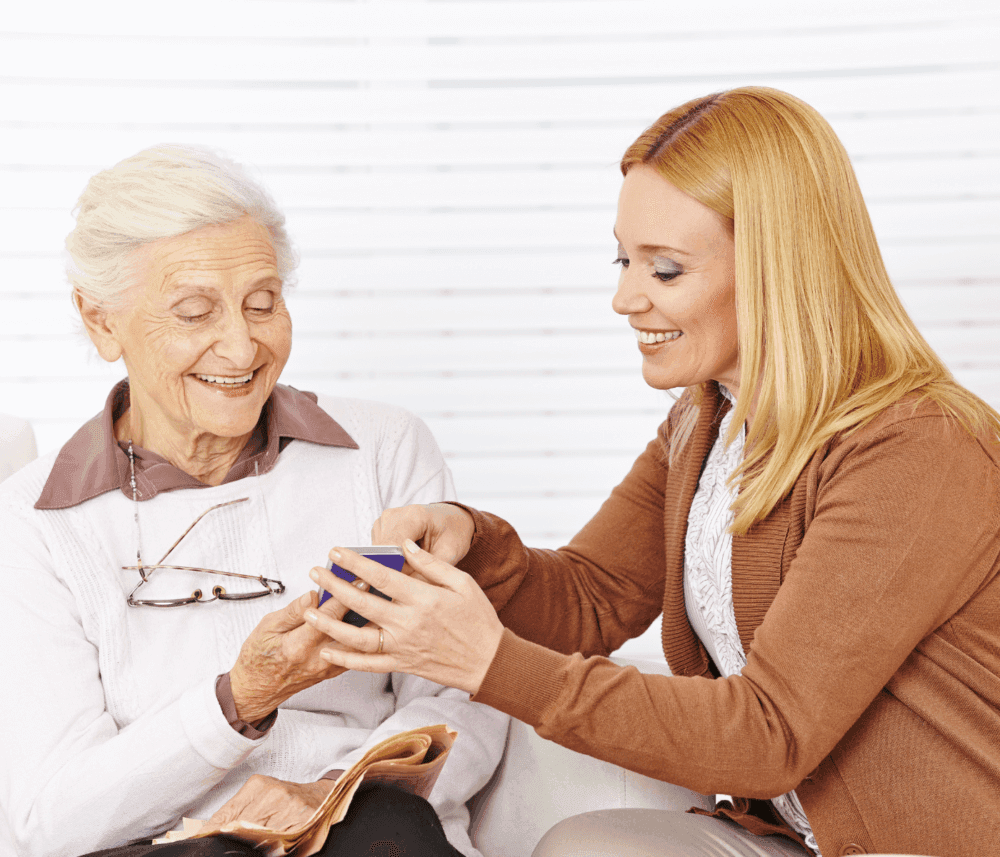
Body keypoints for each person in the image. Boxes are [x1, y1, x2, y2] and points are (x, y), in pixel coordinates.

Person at [303, 88, 1000, 857]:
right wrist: (472, 544)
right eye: (623, 258)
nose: (624, 297)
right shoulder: (707, 419)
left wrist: (487, 661)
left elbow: (771, 733)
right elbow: (590, 598)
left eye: (665, 269)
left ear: (778, 270)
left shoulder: (916, 448)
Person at [0, 144, 508, 857]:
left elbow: (465, 697)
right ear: (101, 321)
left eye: (263, 303)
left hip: (366, 828)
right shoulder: (31, 523)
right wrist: (238, 699)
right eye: (194, 312)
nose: (241, 348)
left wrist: (329, 792)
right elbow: (48, 817)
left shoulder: (386, 449)